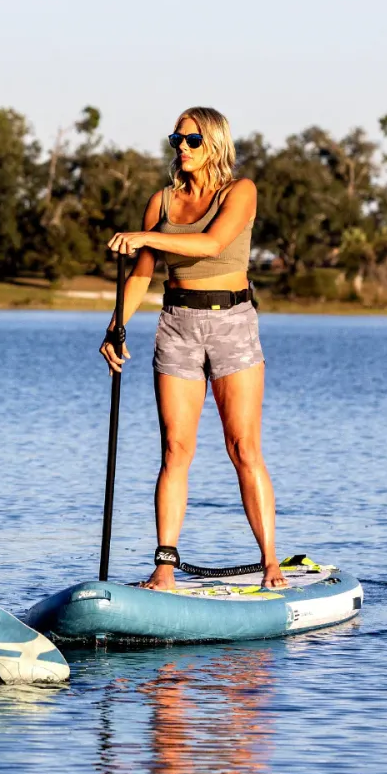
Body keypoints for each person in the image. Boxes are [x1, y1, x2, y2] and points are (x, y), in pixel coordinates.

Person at [99, 106, 286, 591]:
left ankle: (270, 563)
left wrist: (144, 236)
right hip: (176, 326)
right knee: (175, 450)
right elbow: (142, 274)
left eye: (192, 140)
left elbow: (211, 242)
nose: (181, 147)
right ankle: (164, 567)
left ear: (215, 144)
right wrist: (115, 326)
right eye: (176, 140)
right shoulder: (160, 202)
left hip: (233, 324)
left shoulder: (240, 192)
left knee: (243, 447)